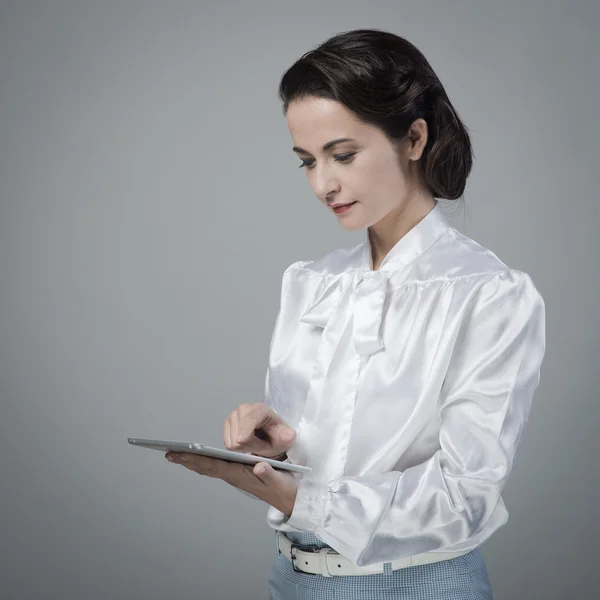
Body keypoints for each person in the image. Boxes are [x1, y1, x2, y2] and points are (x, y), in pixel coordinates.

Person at [165, 28, 546, 599]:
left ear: (414, 137)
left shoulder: (488, 294)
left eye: (342, 155)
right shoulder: (311, 283)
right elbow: (327, 455)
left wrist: (300, 500)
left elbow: (466, 495)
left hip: (420, 584)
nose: (324, 183)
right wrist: (280, 454)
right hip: (292, 578)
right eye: (306, 162)